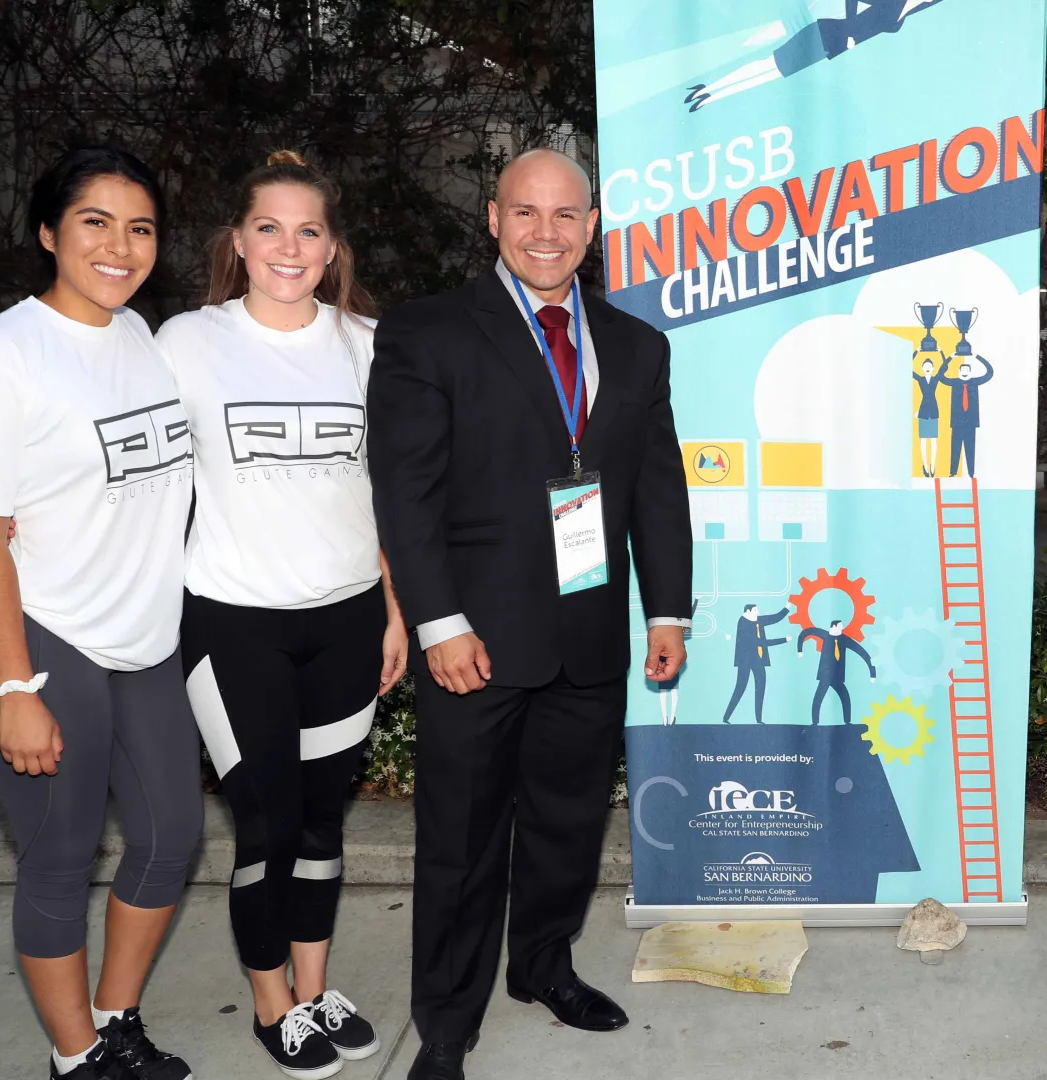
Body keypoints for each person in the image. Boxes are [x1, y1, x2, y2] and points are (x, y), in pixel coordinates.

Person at [368, 147, 693, 1080]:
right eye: (526, 213)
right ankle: (445, 1021)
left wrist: (666, 610)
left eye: (565, 215)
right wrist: (437, 624)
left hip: (588, 638)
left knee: (565, 828)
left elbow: (657, 490)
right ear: (493, 218)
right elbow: (406, 496)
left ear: (592, 227)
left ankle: (543, 968)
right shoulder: (428, 333)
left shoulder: (637, 345)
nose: (545, 232)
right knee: (461, 844)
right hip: (474, 639)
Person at [0, 145, 200, 1080]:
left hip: (142, 640)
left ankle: (115, 1018)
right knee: (62, 854)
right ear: (49, 232)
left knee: (172, 837)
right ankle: (76, 1057)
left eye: (140, 228)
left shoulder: (136, 335)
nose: (120, 247)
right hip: (44, 639)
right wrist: (16, 686)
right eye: (95, 223)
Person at [156, 151, 401, 1079]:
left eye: (308, 230)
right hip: (232, 625)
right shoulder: (186, 341)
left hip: (345, 620)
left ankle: (316, 984)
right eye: (269, 228)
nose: (288, 247)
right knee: (266, 824)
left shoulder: (368, 345)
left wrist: (394, 610)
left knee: (324, 824)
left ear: (331, 247)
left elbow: (392, 493)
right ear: (238, 243)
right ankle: (271, 1006)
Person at [685, 0, 952, 112]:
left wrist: (849, 40)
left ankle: (709, 94)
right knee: (769, 64)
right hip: (827, 33)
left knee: (772, 73)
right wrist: (848, 31)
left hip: (830, 48)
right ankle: (709, 89)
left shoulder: (905, 11)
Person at [796, 620, 876, 725]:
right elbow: (805, 632)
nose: (842, 629)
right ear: (834, 626)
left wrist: (872, 672)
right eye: (840, 626)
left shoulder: (844, 639)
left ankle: (847, 721)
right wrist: (800, 650)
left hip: (837, 676)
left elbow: (862, 652)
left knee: (845, 697)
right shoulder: (824, 635)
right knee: (818, 698)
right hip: (825, 675)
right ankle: (815, 722)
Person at [723, 603, 791, 724]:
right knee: (740, 688)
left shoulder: (757, 620)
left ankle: (759, 719)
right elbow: (761, 642)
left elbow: (774, 618)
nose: (758, 612)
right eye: (755, 610)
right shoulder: (743, 623)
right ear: (748, 611)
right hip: (745, 661)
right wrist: (784, 640)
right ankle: (726, 717)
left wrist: (787, 607)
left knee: (761, 688)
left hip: (758, 660)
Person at [944, 354, 994, 478]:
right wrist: (950, 358)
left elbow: (989, 372)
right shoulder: (955, 382)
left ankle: (971, 472)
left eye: (967, 370)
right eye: (963, 370)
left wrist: (977, 356)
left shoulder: (974, 382)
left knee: (970, 448)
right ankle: (953, 472)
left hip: (971, 422)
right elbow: (941, 376)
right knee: (955, 448)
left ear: (970, 371)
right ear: (959, 371)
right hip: (957, 422)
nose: (965, 372)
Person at [912, 354, 945, 476]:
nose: (927, 367)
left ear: (933, 368)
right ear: (921, 368)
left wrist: (940, 352)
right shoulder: (920, 379)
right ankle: (925, 466)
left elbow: (944, 367)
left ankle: (932, 466)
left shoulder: (936, 379)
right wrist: (917, 351)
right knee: (923, 441)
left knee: (933, 441)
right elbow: (908, 368)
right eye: (925, 366)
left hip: (934, 411)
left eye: (929, 366)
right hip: (923, 411)